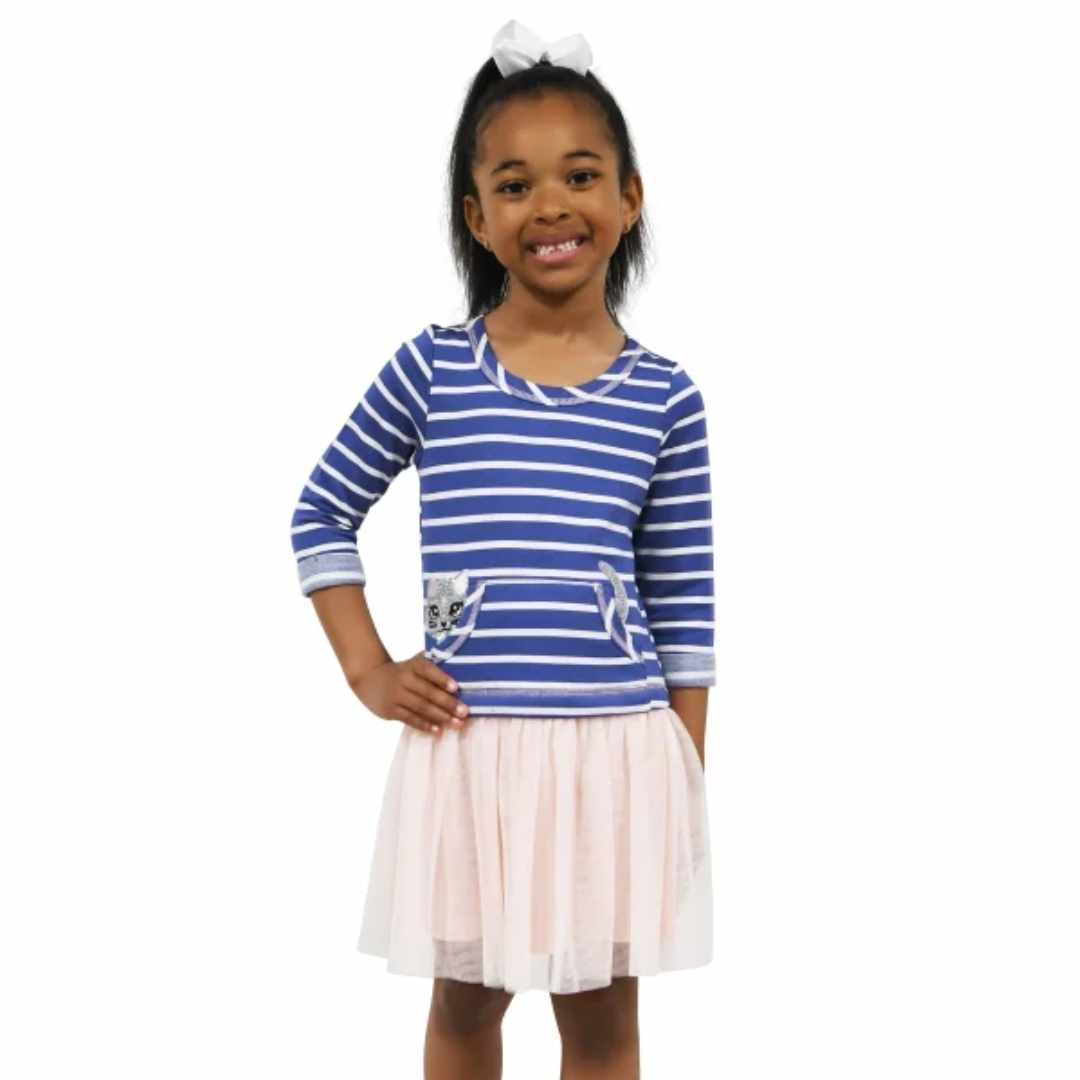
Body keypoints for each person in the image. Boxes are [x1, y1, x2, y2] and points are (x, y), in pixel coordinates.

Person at [289, 18, 716, 1078]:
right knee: (467, 1004)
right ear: (477, 218)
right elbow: (321, 514)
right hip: (470, 750)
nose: (551, 206)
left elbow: (684, 605)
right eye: (515, 186)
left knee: (603, 1023)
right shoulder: (432, 371)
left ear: (630, 197)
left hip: (613, 758)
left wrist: (682, 786)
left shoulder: (666, 397)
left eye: (581, 175)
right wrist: (369, 669)